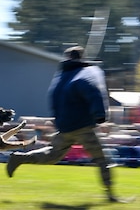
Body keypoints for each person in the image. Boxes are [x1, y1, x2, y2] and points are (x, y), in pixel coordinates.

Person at [6, 45, 119, 202]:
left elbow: (54, 100)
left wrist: (59, 121)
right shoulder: (85, 74)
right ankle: (111, 196)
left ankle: (20, 158)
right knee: (102, 159)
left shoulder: (61, 76)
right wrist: (100, 115)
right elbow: (93, 92)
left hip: (65, 126)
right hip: (83, 125)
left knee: (52, 155)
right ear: (81, 57)